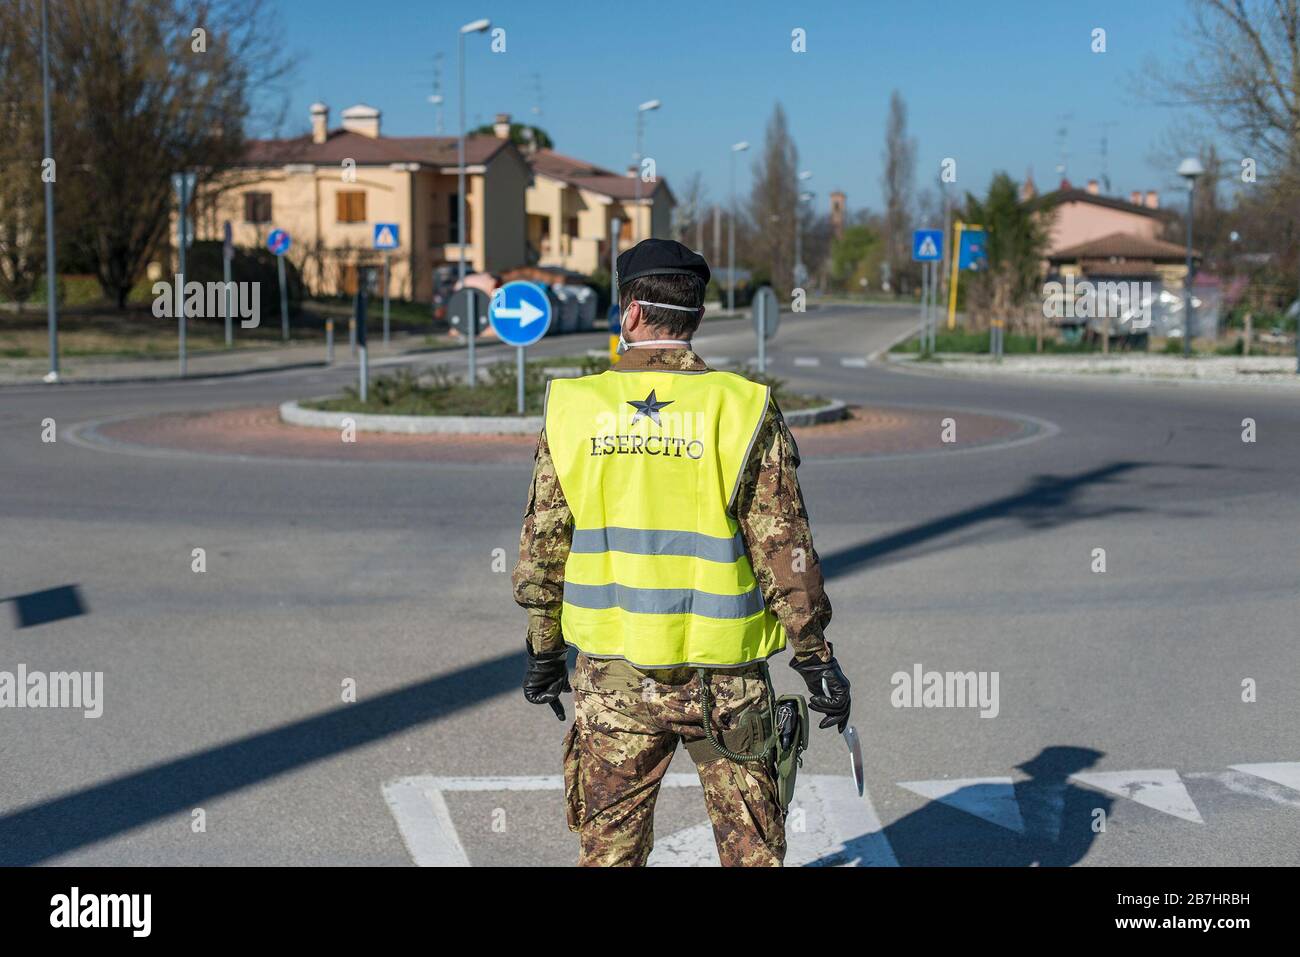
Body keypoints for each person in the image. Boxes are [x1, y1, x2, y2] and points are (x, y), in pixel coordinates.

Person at [513, 238, 850, 867]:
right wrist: (815, 659)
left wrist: (543, 649)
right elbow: (785, 550)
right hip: (726, 678)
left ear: (632, 312)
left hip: (613, 676)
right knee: (752, 855)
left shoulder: (574, 408)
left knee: (609, 854)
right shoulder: (741, 407)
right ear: (695, 316)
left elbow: (543, 548)